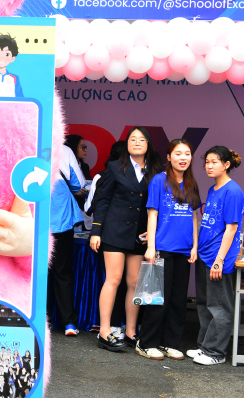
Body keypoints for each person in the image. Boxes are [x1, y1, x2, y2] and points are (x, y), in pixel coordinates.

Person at [90, 126, 162, 352]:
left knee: (134, 282)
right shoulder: (115, 167)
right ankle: (104, 331)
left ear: (148, 145)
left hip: (139, 234)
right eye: (133, 139)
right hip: (114, 231)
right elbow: (103, 200)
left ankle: (131, 332)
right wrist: (96, 231)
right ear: (127, 144)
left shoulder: (156, 171)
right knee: (113, 279)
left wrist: (154, 232)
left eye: (141, 139)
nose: (137, 143)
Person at [136, 139, 201, 361]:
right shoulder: (159, 180)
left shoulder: (191, 183)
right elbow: (152, 214)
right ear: (169, 157)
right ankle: (146, 343)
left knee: (178, 300)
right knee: (157, 299)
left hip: (184, 250)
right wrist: (151, 247)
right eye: (178, 153)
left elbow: (194, 216)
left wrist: (194, 246)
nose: (183, 158)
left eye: (187, 154)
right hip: (162, 247)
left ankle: (169, 343)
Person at [187, 146, 244, 366]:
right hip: (205, 253)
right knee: (204, 303)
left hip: (219, 258)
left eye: (215, 162)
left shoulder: (233, 191)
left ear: (226, 164)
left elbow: (231, 228)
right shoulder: (213, 189)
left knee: (220, 306)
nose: (209, 166)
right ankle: (204, 346)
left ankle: (216, 352)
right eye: (207, 162)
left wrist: (219, 260)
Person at [85, 141, 127, 340]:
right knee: (123, 281)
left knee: (112, 280)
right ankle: (118, 327)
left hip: (106, 234)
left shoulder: (101, 176)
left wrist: (96, 230)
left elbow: (89, 207)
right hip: (125, 235)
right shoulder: (137, 177)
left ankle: (112, 326)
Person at [48, 143, 85, 336]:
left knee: (37, 273)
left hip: (31, 219)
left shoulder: (24, 142)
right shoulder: (64, 149)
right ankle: (69, 323)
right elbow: (78, 184)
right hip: (60, 217)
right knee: (62, 271)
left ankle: (40, 320)